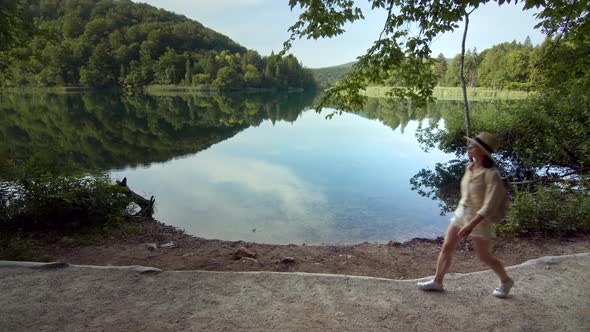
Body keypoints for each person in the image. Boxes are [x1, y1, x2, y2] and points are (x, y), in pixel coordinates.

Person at [417, 132, 514, 298]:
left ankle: (506, 280)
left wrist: (471, 224)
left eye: (472, 146)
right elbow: (467, 195)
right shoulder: (469, 168)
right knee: (447, 246)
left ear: (483, 152)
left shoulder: (492, 175)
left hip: (480, 220)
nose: (469, 148)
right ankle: (438, 281)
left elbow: (489, 205)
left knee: (484, 256)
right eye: (469, 145)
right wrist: (463, 216)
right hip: (462, 213)